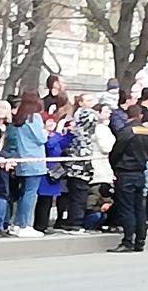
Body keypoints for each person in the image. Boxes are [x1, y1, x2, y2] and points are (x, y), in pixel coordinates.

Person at [3, 89, 47, 237]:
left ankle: (16, 223)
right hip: (34, 159)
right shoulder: (34, 118)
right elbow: (41, 138)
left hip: (22, 158)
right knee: (30, 193)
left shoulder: (18, 118)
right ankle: (24, 224)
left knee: (23, 193)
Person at [107, 105, 148, 252]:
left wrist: (115, 167)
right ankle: (140, 240)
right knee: (140, 208)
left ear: (127, 116)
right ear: (141, 116)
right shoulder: (145, 131)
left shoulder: (126, 131)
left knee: (127, 208)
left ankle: (128, 241)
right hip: (140, 172)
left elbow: (116, 152)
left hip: (125, 173)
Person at [57, 97, 97, 232]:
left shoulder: (80, 133)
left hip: (78, 168)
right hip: (80, 169)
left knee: (75, 196)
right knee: (77, 197)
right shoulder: (82, 134)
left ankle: (73, 221)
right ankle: (74, 221)